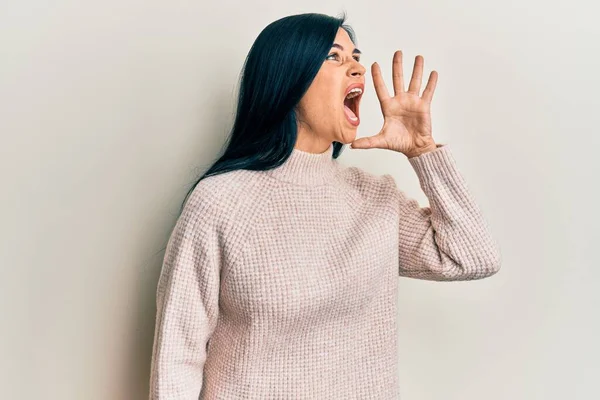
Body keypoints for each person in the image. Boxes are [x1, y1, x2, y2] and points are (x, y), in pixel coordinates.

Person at [148, 12, 502, 400]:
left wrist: (423, 152)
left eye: (356, 56)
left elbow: (473, 258)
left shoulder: (374, 198)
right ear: (288, 79)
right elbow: (177, 355)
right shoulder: (221, 201)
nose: (356, 66)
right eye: (334, 56)